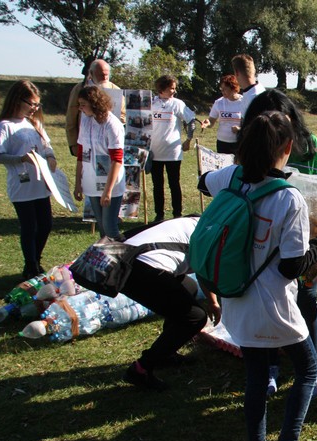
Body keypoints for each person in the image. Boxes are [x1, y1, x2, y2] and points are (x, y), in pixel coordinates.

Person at [201, 111, 317, 441]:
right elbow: (292, 268)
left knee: (256, 375)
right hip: (274, 304)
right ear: (287, 148)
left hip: (235, 297)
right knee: (308, 369)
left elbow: (201, 180)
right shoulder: (290, 198)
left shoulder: (231, 177)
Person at [236, 88, 317, 393]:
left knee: (307, 298)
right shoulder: (251, 151)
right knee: (266, 308)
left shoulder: (309, 146)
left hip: (304, 233)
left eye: (285, 120)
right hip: (261, 241)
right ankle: (270, 369)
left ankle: (311, 369)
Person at [121, 216, 213, 391]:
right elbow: (205, 271)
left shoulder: (200, 222)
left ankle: (165, 354)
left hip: (135, 257)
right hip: (135, 267)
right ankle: (141, 369)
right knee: (195, 317)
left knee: (189, 288)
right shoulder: (212, 234)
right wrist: (213, 303)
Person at [0, 80, 57, 279]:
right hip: (22, 185)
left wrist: (51, 157)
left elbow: (47, 146)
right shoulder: (4, 126)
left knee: (45, 224)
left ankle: (35, 260)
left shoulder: (34, 123)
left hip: (41, 183)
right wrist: (21, 158)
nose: (34, 109)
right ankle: (30, 267)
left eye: (37, 105)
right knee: (30, 226)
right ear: (17, 100)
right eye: (31, 104)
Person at [73, 85, 126, 240]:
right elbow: (81, 154)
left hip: (109, 183)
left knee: (110, 227)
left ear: (94, 103)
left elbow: (117, 159)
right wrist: (78, 183)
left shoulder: (112, 124)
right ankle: (106, 260)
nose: (80, 108)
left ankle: (126, 255)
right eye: (79, 104)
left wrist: (108, 191)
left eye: (83, 104)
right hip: (91, 181)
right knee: (102, 227)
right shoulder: (85, 120)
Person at [149, 75, 196, 222]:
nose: (174, 91)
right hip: (154, 151)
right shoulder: (151, 103)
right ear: (161, 88)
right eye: (171, 88)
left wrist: (188, 140)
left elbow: (191, 120)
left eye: (175, 88)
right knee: (158, 185)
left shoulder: (177, 104)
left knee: (174, 183)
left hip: (173, 152)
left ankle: (177, 214)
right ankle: (159, 215)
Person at [65, 59, 125, 157]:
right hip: (86, 140)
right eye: (101, 75)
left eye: (107, 74)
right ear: (91, 73)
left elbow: (123, 115)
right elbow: (71, 117)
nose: (104, 77)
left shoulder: (116, 90)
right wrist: (73, 144)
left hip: (108, 142)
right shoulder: (80, 88)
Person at [201, 75, 246, 155]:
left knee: (237, 166)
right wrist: (207, 123)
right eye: (221, 89)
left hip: (238, 143)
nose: (222, 91)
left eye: (225, 89)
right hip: (222, 143)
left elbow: (250, 124)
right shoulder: (219, 103)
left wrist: (240, 129)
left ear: (233, 88)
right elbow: (211, 121)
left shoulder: (244, 102)